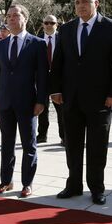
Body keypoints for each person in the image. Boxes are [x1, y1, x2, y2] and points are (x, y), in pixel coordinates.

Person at [50, 0, 112, 205]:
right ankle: (73, 184)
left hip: (101, 100)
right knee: (72, 145)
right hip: (71, 99)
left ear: (97, 3)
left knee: (97, 146)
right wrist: (55, 90)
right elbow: (58, 63)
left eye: (85, 1)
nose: (81, 5)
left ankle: (97, 188)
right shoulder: (66, 30)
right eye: (77, 2)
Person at [0, 4, 48, 198]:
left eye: (16, 15)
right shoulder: (1, 44)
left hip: (28, 103)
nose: (11, 19)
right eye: (9, 16)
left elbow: (42, 76)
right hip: (5, 103)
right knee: (7, 143)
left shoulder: (38, 44)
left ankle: (27, 183)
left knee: (28, 144)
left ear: (25, 18)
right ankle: (6, 180)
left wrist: (41, 101)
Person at [36, 14, 64, 145]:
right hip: (41, 78)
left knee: (61, 109)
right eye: (46, 23)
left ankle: (64, 136)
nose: (48, 25)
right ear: (43, 24)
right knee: (42, 107)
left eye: (52, 23)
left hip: (59, 79)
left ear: (56, 25)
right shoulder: (36, 40)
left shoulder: (63, 39)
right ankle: (42, 135)